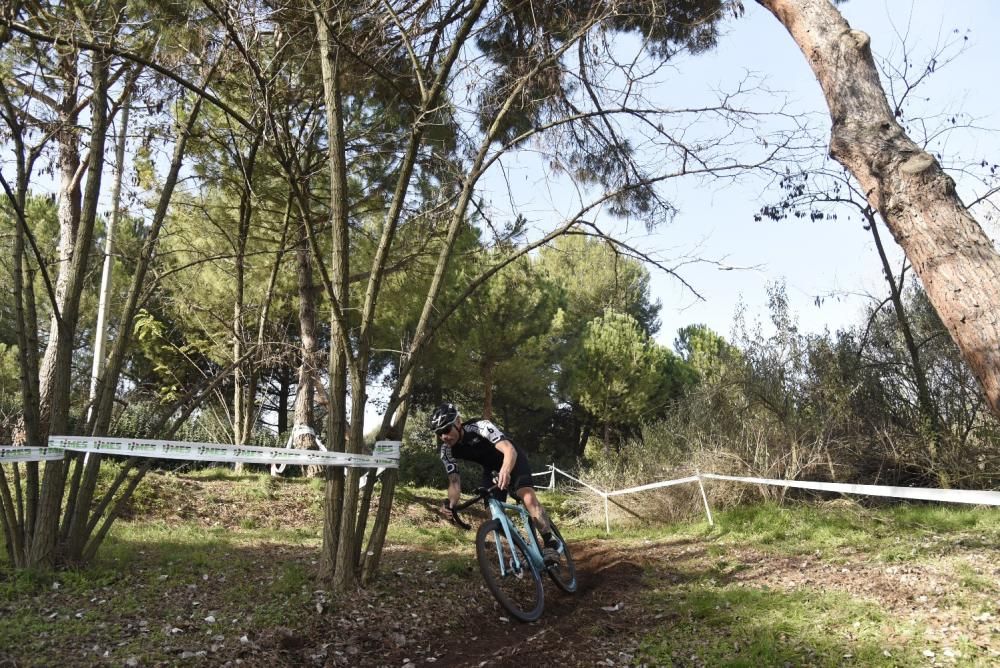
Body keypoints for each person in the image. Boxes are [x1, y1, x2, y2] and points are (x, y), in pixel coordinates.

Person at [430, 402, 561, 563]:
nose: (444, 436)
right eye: (439, 433)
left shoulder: (480, 427)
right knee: (492, 512)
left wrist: (505, 472)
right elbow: (454, 482)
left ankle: (550, 543)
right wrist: (450, 503)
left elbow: (508, 450)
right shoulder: (446, 451)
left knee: (526, 496)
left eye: (446, 429)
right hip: (491, 469)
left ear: (458, 422)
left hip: (512, 458)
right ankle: (522, 547)